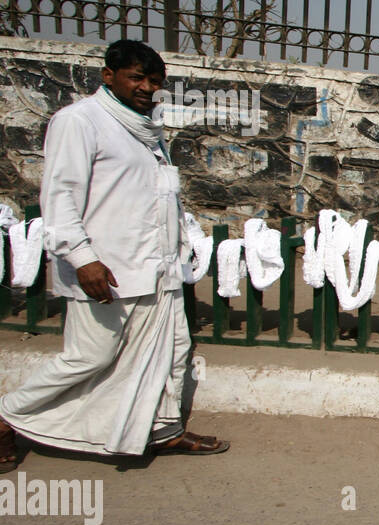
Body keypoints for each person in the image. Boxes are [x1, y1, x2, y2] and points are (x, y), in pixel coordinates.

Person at [0, 40, 229, 471]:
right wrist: (82, 258)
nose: (147, 87)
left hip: (157, 268)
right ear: (109, 76)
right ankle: (5, 418)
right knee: (90, 357)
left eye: (155, 81)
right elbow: (60, 197)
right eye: (137, 78)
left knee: (172, 350)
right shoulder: (79, 122)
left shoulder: (146, 130)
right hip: (106, 269)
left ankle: (163, 429)